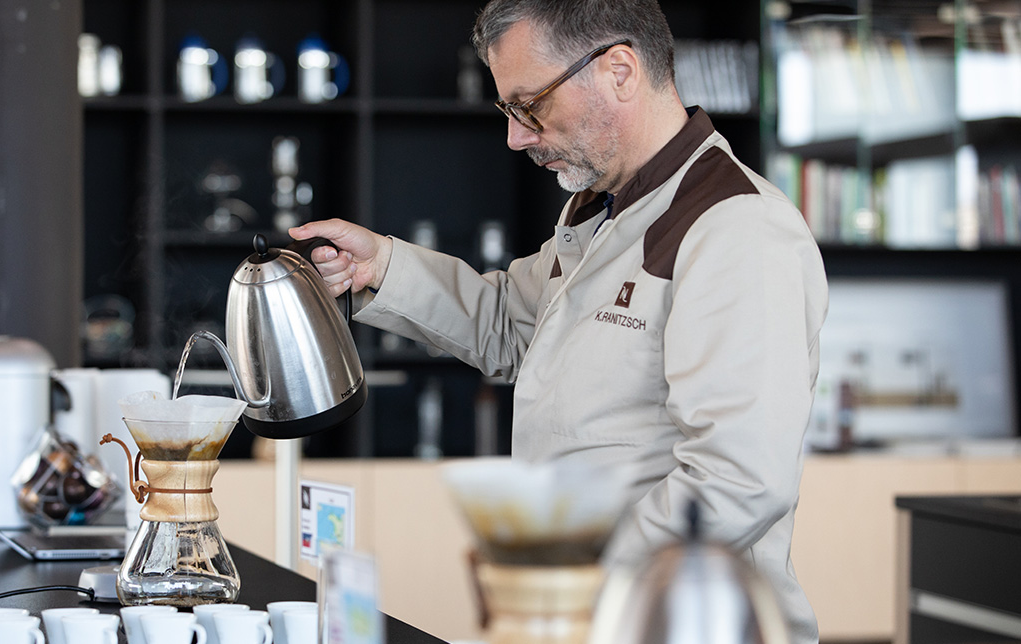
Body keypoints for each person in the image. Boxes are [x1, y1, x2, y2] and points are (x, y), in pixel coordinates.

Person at [289, 0, 827, 640]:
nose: (516, 137)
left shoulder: (737, 228)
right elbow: (509, 323)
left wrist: (568, 572)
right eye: (508, 111)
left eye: (531, 106)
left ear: (619, 71)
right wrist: (383, 266)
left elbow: (737, 477)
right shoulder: (600, 210)